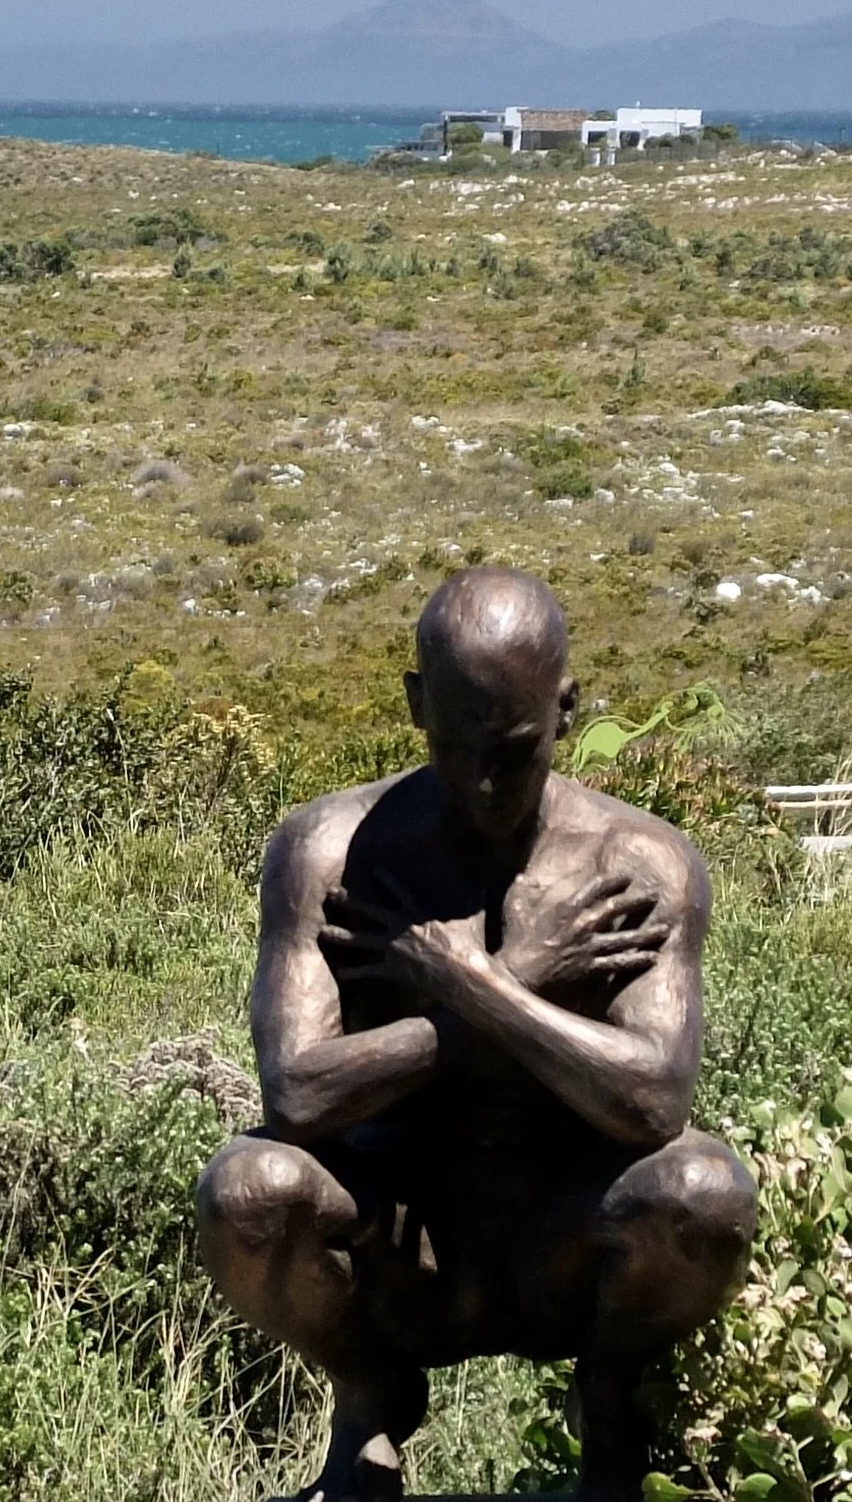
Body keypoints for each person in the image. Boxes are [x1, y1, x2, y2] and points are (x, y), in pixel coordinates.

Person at [196, 567, 756, 1502]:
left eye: (516, 750)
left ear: (566, 709)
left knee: (705, 1192)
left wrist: (480, 981)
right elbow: (294, 1093)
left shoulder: (638, 862)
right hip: (401, 1249)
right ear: (416, 704)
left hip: (567, 1240)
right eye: (458, 749)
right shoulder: (330, 851)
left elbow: (657, 1099)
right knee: (246, 1190)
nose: (486, 784)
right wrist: (522, 979)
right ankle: (371, 1394)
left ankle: (608, 1398)